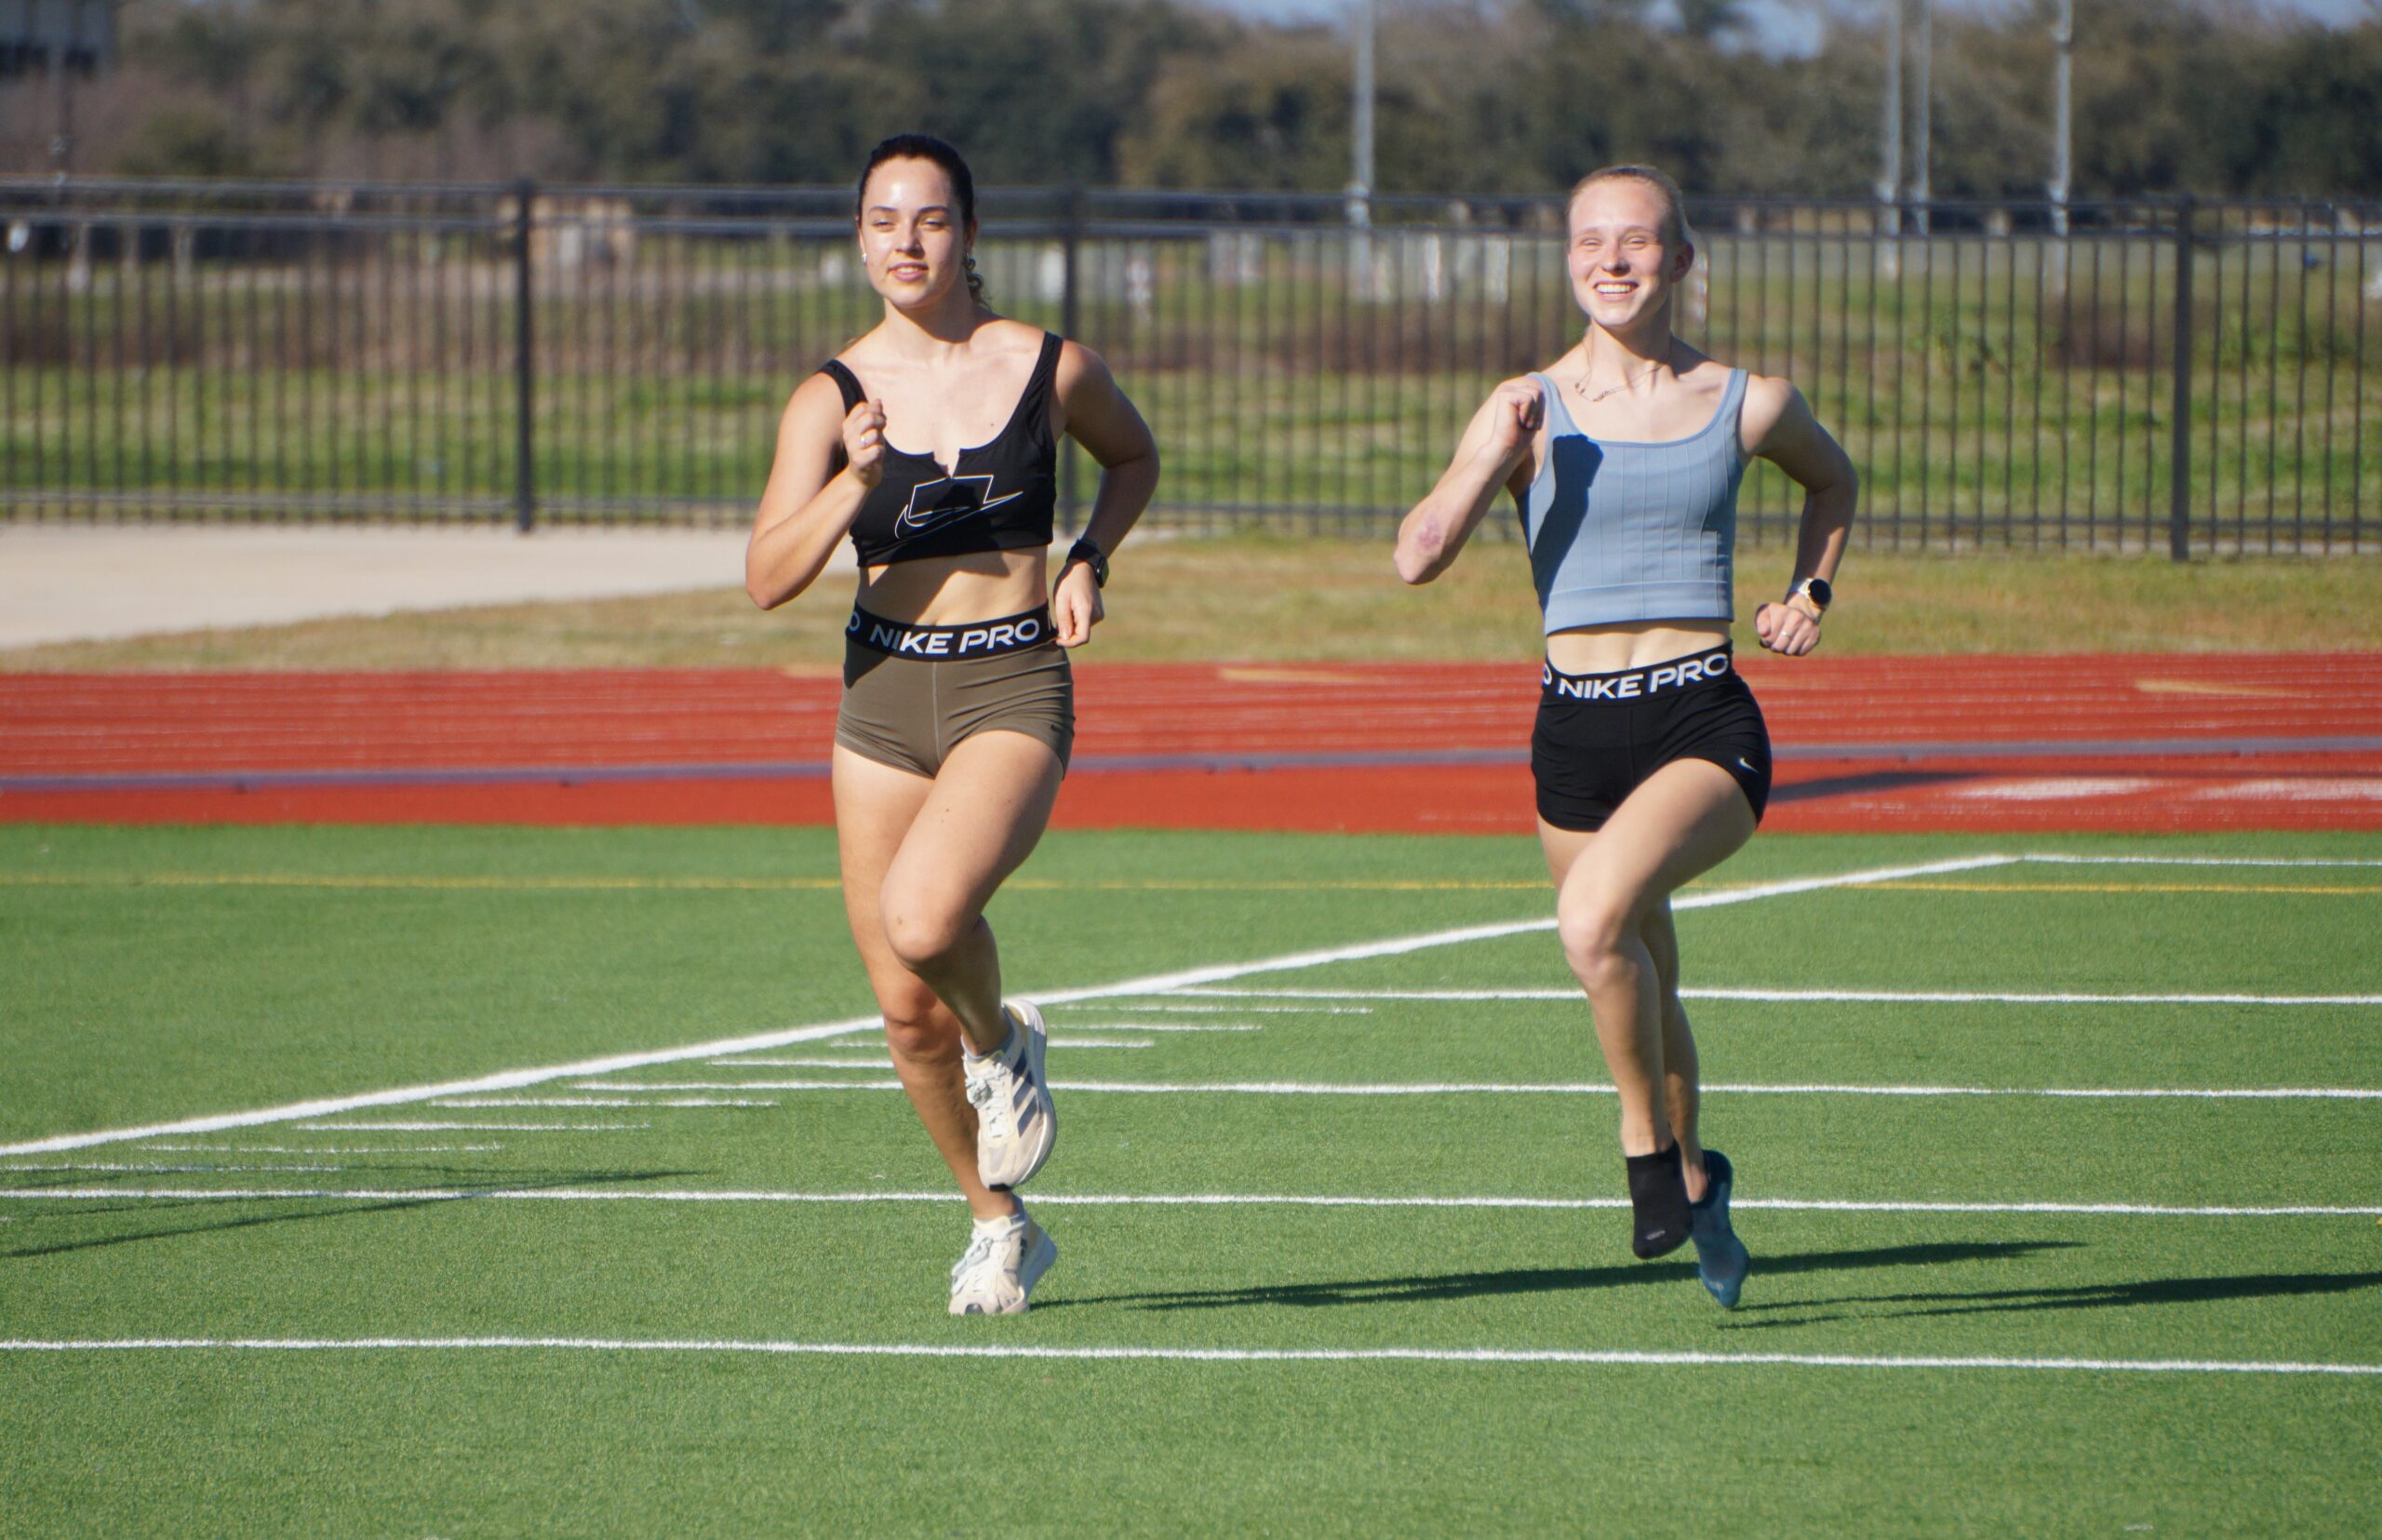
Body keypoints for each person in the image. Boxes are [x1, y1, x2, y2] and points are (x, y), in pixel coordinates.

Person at [1393, 164, 1854, 1309]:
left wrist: (1810, 591)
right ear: (1566, 261)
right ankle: (1702, 1178)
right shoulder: (1526, 404)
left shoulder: (1747, 400)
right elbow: (1416, 553)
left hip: (1701, 715)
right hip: (1573, 736)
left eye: (1638, 242)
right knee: (1640, 971)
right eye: (1590, 241)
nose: (1612, 259)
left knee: (1591, 920)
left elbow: (1832, 482)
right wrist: (1488, 455)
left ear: (1682, 261)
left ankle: (1644, 1148)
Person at [746, 134, 1158, 1316]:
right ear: (859, 235)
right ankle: (997, 1222)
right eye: (882, 220)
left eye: (928, 220)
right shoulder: (830, 395)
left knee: (927, 917)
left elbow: (1131, 457)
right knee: (898, 1004)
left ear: (970, 231)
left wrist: (1088, 560)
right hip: (879, 697)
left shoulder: (1049, 366)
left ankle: (1007, 1041)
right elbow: (768, 574)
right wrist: (845, 480)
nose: (905, 243)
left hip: (1010, 682)